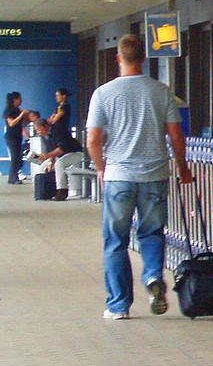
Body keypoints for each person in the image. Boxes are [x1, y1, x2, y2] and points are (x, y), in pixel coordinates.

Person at [85, 34, 194, 320]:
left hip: (118, 176)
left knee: (115, 241)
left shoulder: (103, 93)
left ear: (118, 58)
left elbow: (93, 139)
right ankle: (152, 277)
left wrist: (101, 168)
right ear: (144, 59)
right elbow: (176, 135)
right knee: (152, 233)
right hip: (155, 175)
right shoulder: (161, 91)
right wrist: (183, 168)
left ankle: (119, 306)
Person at [33, 116, 86, 200]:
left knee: (59, 164)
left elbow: (61, 149)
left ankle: (62, 191)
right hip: (61, 155)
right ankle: (43, 192)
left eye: (39, 130)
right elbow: (52, 150)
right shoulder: (45, 136)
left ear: (46, 126)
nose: (39, 132)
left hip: (75, 152)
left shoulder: (58, 130)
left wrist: (47, 156)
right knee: (43, 167)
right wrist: (50, 163)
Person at [4, 91, 26, 184]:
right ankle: (13, 178)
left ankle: (13, 176)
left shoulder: (18, 110)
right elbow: (11, 123)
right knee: (15, 157)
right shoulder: (9, 110)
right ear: (15, 100)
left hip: (17, 136)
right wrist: (21, 115)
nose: (21, 101)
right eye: (19, 99)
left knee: (18, 157)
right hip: (11, 137)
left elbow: (21, 124)